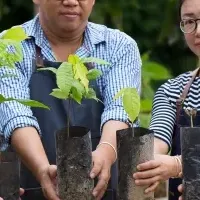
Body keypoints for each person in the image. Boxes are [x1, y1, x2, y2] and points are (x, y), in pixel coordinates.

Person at [0, 0, 141, 199]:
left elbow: (120, 110)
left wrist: (104, 153)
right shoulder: (9, 46)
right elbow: (15, 115)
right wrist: (42, 169)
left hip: (100, 189)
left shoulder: (119, 46)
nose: (71, 2)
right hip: (29, 189)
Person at [133, 0, 200, 199]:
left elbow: (174, 164)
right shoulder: (173, 91)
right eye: (189, 21)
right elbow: (156, 142)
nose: (197, 31)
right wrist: (149, 162)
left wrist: (179, 164)